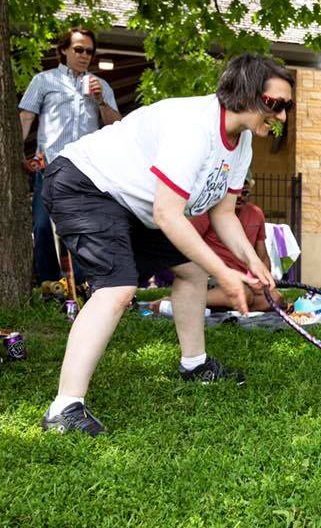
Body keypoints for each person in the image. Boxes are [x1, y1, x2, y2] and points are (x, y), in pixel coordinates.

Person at [39, 53, 291, 436]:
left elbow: (224, 214)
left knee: (191, 270)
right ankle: (64, 408)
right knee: (117, 288)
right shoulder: (194, 126)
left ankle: (195, 365)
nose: (283, 116)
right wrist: (225, 273)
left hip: (131, 201)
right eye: (276, 104)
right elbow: (169, 215)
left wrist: (250, 262)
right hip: (85, 183)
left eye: (287, 106)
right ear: (246, 93)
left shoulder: (240, 144)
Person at [19, 27, 121, 285]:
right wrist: (19, 153)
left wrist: (100, 101)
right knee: (42, 227)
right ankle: (49, 284)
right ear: (63, 50)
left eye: (89, 51)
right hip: (50, 165)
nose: (84, 55)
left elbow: (117, 126)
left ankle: (83, 284)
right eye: (78, 49)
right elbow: (26, 116)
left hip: (86, 169)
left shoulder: (101, 85)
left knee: (82, 229)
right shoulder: (44, 80)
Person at [149, 174, 284, 313]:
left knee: (275, 298)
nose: (239, 196)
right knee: (244, 294)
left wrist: (262, 279)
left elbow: (263, 257)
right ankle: (174, 301)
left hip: (241, 279)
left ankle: (216, 305)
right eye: (235, 192)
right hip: (212, 275)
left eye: (244, 192)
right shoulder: (211, 211)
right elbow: (189, 241)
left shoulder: (256, 213)